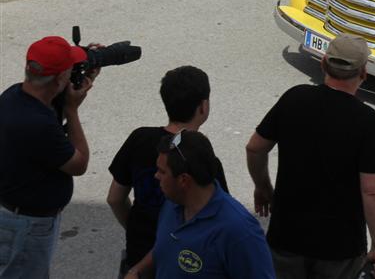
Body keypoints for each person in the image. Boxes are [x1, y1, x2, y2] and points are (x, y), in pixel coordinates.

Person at [246, 33, 375, 278]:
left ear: (323, 64)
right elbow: (374, 191)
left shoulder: (295, 98)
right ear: (363, 73)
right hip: (340, 250)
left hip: (286, 238)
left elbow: (255, 148)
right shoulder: (367, 121)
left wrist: (263, 187)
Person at [108, 66, 228, 277]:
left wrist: (136, 229)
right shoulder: (204, 161)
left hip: (138, 257)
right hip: (183, 265)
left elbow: (115, 198)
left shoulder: (139, 139)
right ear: (203, 106)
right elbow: (220, 220)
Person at [0, 36, 94, 278]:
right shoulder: (38, 124)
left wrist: (84, 74)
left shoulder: (13, 96)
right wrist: (72, 110)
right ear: (60, 78)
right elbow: (79, 163)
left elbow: (49, 112)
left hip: (15, 216)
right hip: (27, 225)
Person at [124, 131, 274, 278]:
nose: (156, 176)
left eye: (162, 172)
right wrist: (137, 271)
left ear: (184, 180)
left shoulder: (240, 232)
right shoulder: (173, 203)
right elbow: (167, 246)